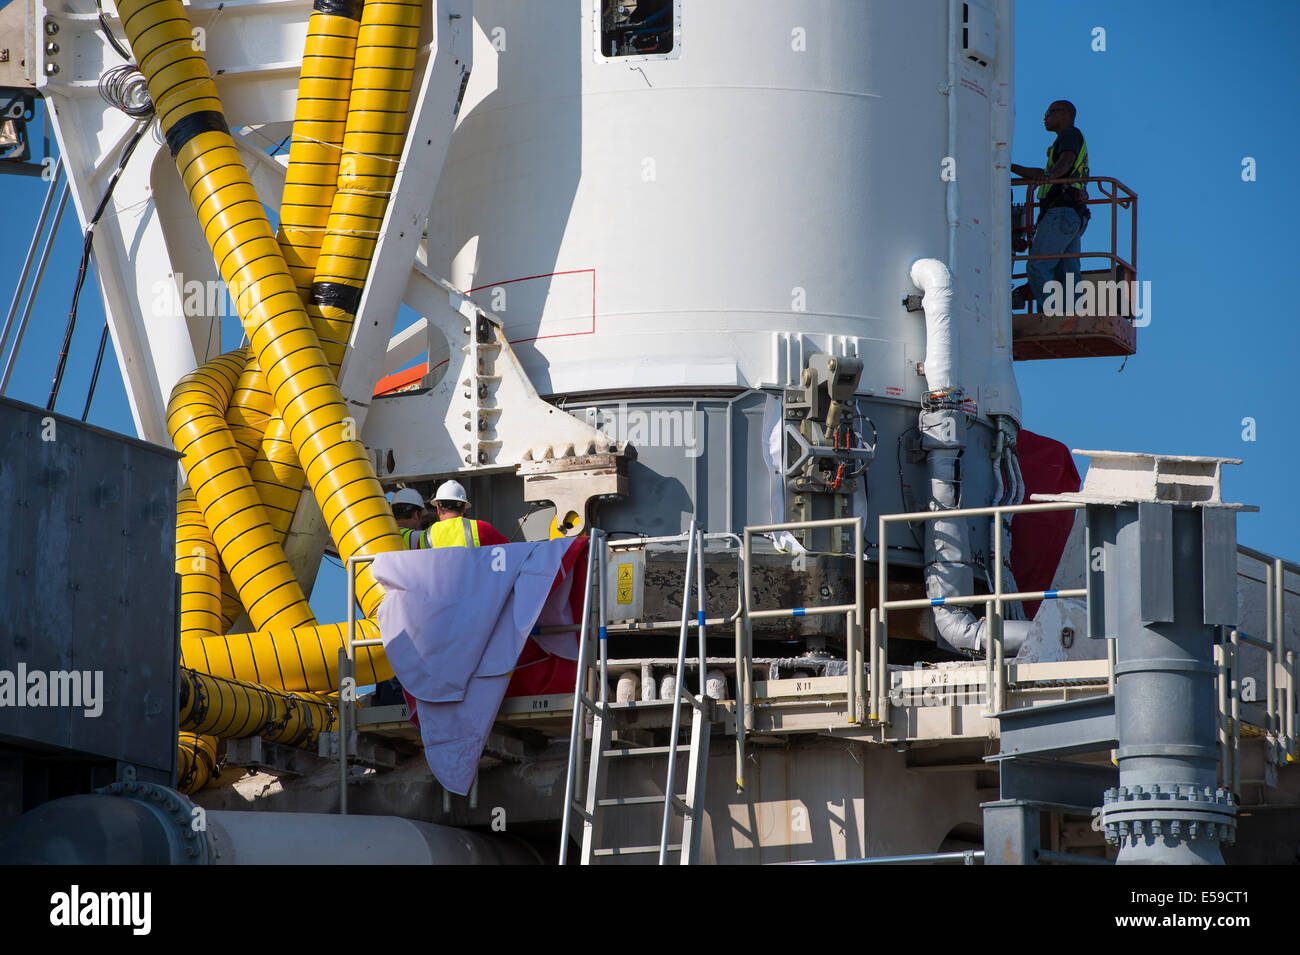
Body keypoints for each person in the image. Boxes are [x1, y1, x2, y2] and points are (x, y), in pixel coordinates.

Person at [1011, 100, 1090, 313]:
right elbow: (1044, 172)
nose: (1045, 117)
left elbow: (1065, 161)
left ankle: (1055, 315)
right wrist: (1008, 166)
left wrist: (1049, 176)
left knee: (1037, 267)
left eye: (1049, 112)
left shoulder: (1069, 135)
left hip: (1060, 212)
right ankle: (1072, 317)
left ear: (1065, 114)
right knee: (1068, 274)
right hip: (1073, 216)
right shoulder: (1064, 142)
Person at [404, 480, 509, 549]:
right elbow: (513, 552)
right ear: (463, 508)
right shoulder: (481, 528)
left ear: (438, 509)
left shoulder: (425, 537)